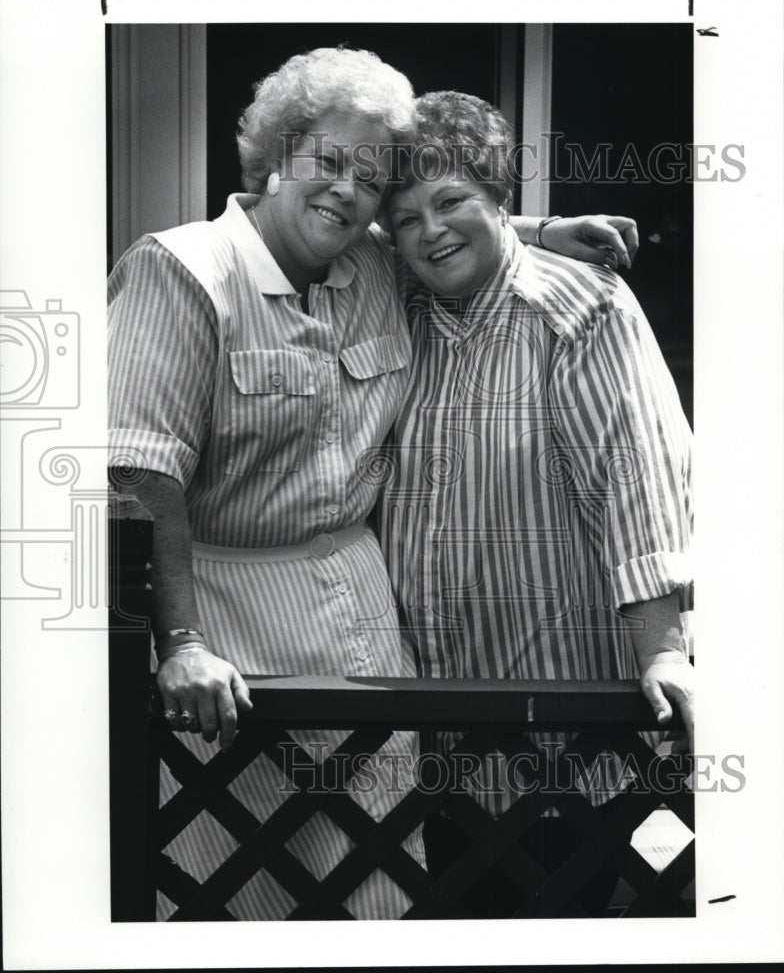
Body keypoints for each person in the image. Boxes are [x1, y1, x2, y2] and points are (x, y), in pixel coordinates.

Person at [109, 47, 641, 920]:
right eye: (329, 160)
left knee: (377, 888)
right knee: (238, 890)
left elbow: (448, 235)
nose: (348, 191)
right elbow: (142, 471)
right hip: (231, 629)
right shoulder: (182, 269)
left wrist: (542, 230)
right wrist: (182, 644)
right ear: (277, 152)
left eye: (370, 176)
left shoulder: (369, 268)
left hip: (366, 630)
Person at [376, 91, 694, 918]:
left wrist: (663, 649)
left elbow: (636, 477)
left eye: (452, 204)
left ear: (497, 198)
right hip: (437, 728)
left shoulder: (581, 309)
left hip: (561, 721)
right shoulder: (399, 301)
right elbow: (309, 223)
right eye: (406, 217)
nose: (429, 232)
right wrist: (536, 227)